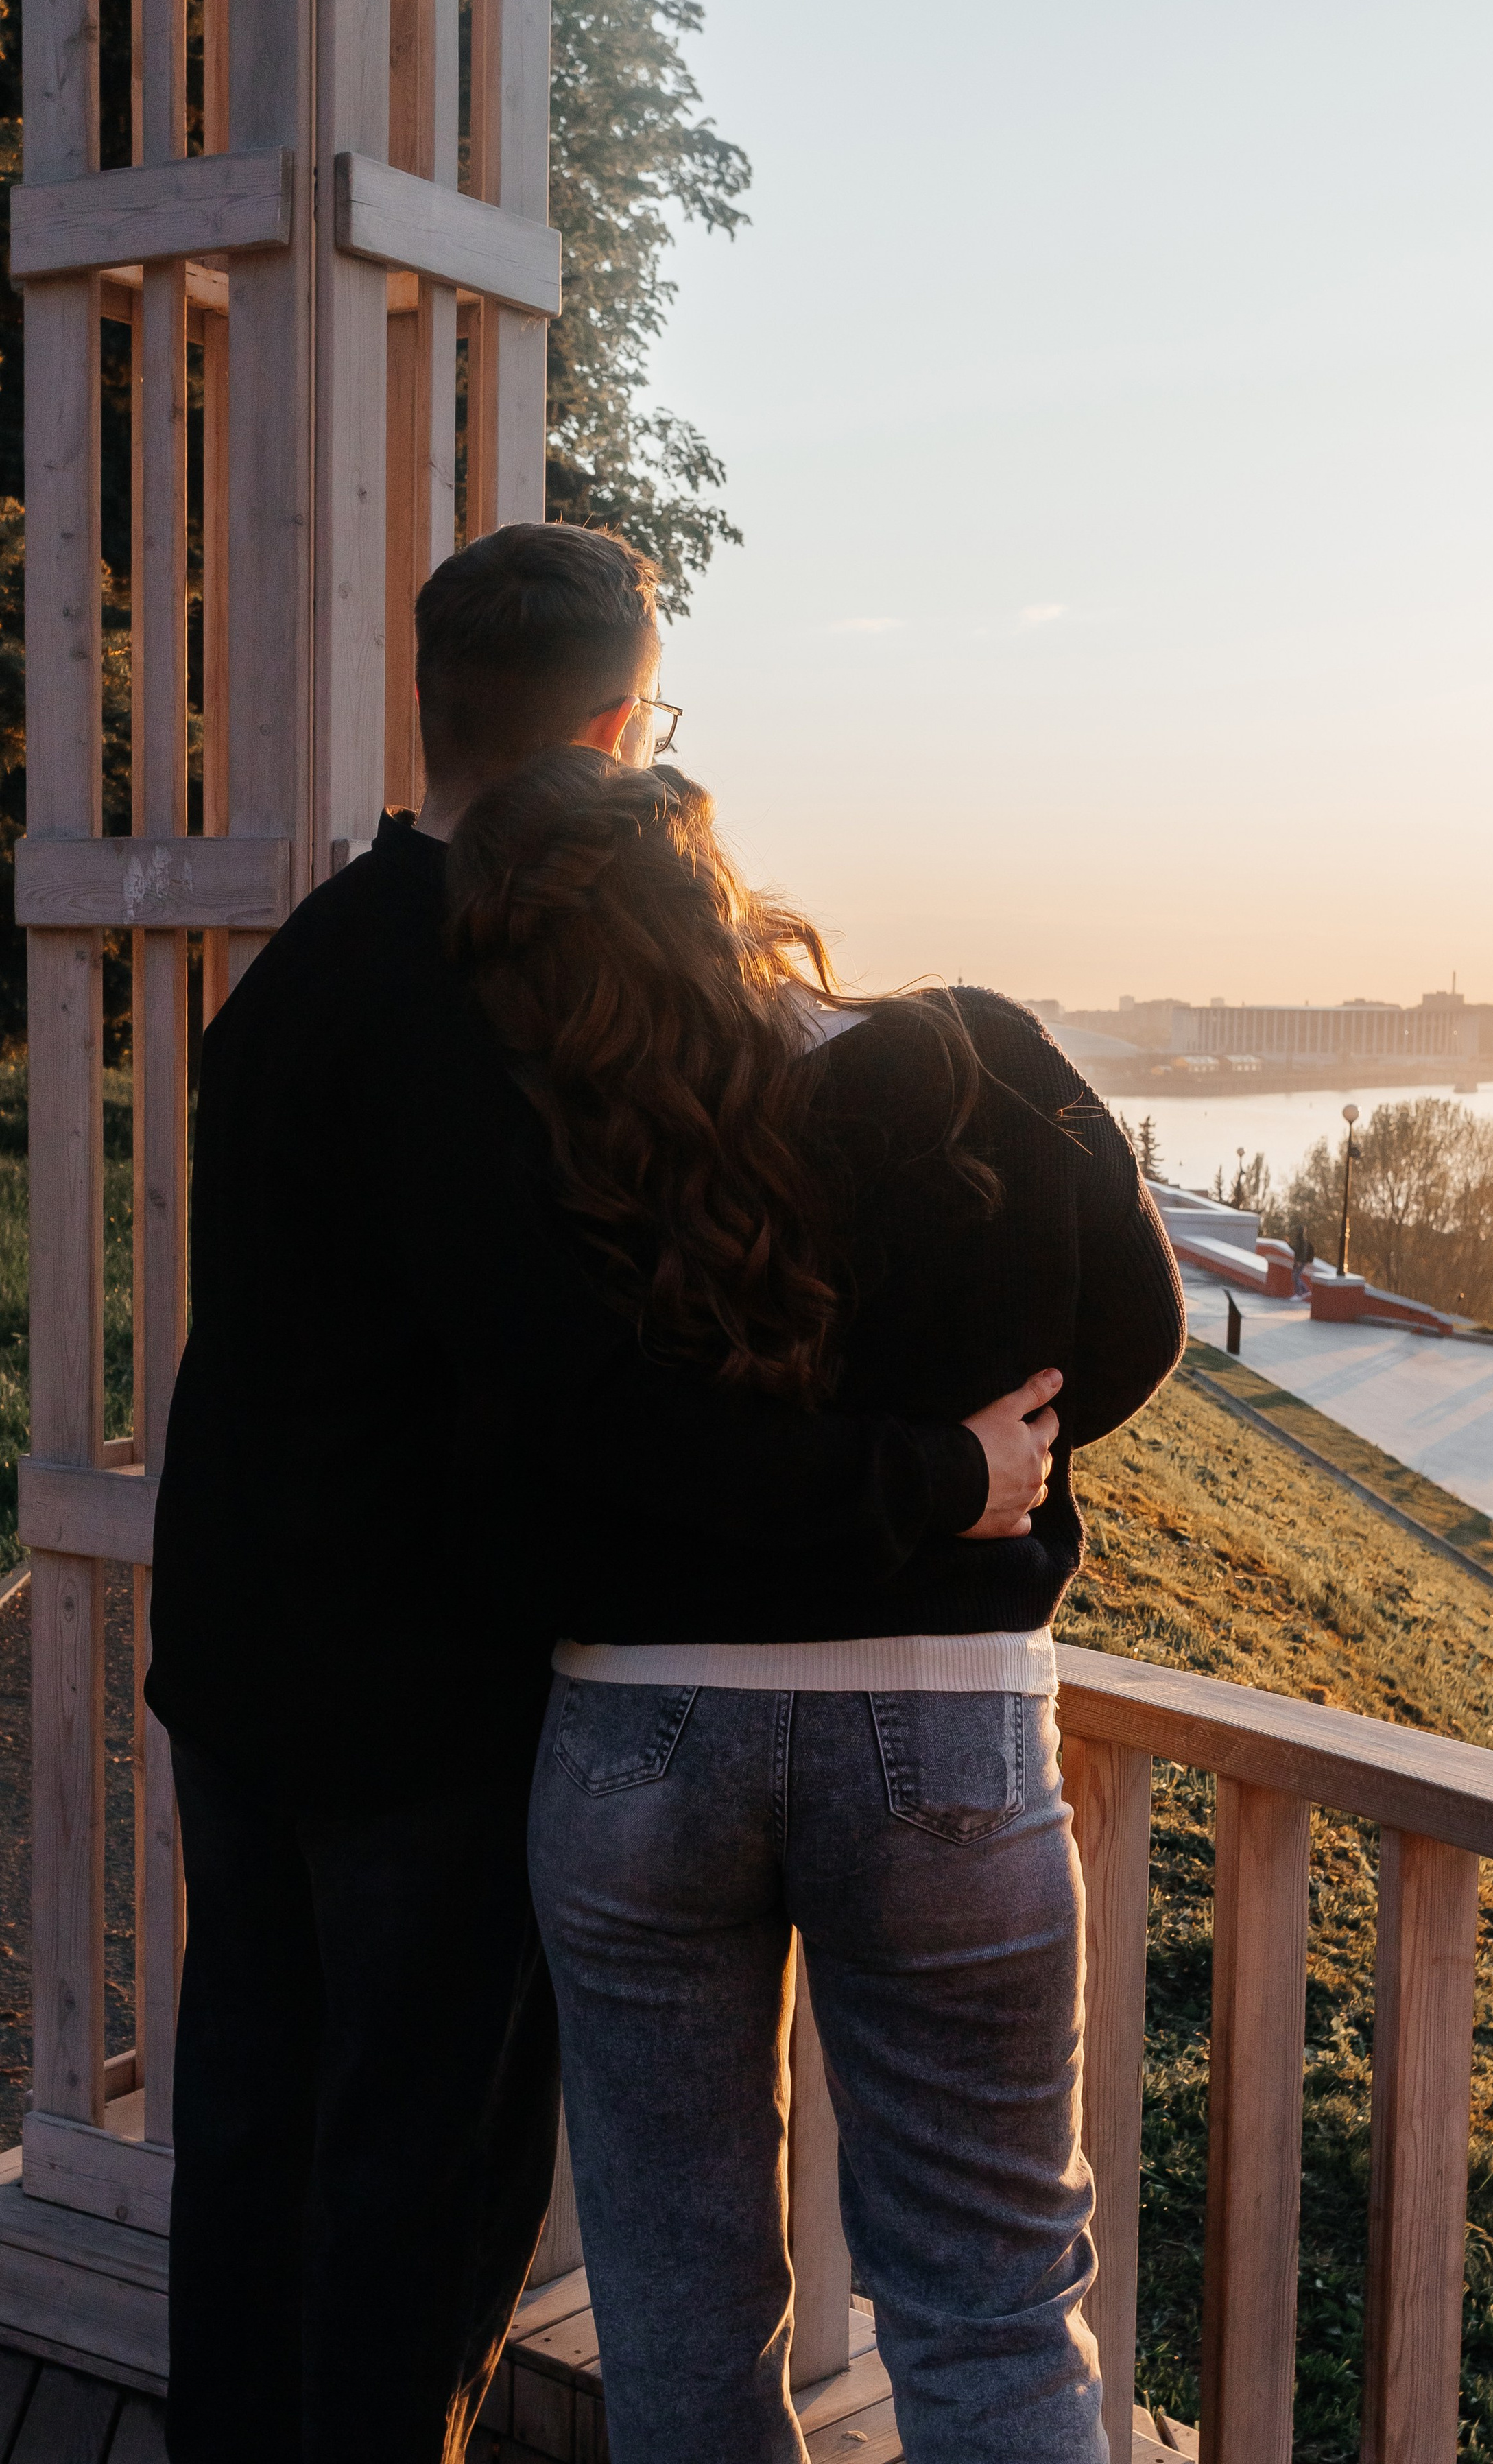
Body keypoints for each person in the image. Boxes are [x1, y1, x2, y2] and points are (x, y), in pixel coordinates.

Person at [145, 523, 1060, 2464]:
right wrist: (936, 1475)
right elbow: (598, 1406)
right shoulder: (504, 999)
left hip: (235, 1664)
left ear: (435, 706)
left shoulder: (304, 964)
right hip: (428, 1707)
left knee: (248, 2150)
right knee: (414, 2196)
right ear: (621, 729)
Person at [446, 745, 1187, 2463]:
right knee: (991, 2305)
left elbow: (571, 1435)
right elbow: (1142, 1328)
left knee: (680, 2312)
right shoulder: (975, 1057)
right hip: (941, 1717)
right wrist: (992, 1463)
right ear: (726, 896)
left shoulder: (562, 1141)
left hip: (634, 1738)